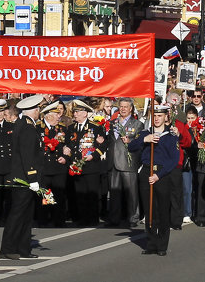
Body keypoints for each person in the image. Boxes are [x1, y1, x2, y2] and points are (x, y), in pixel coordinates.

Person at [128, 105, 179, 255]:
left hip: (161, 174)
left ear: (166, 117)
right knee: (149, 210)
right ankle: (151, 243)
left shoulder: (170, 135)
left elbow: (173, 159)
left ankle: (162, 245)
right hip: (146, 171)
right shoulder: (145, 133)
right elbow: (131, 147)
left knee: (163, 210)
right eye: (154, 116)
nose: (157, 119)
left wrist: (159, 175)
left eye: (160, 116)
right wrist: (145, 139)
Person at [0, 95, 44, 260]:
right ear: (33, 111)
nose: (39, 112)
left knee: (26, 215)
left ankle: (23, 248)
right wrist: (33, 179)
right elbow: (27, 156)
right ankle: (8, 248)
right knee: (18, 214)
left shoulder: (23, 125)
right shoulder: (27, 128)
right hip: (24, 179)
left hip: (23, 178)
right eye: (38, 109)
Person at [65, 99, 108, 226]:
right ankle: (82, 219)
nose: (75, 114)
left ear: (85, 113)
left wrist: (94, 156)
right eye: (74, 112)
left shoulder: (95, 127)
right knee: (80, 195)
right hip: (76, 166)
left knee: (92, 194)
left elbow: (104, 145)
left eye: (77, 112)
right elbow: (68, 144)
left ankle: (92, 219)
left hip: (91, 166)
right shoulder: (71, 128)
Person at [107, 98, 143, 228]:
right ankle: (114, 218)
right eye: (120, 106)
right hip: (113, 162)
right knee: (114, 192)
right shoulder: (112, 123)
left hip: (128, 162)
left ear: (131, 108)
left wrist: (131, 141)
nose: (122, 109)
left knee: (131, 193)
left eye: (125, 107)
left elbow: (140, 143)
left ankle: (133, 217)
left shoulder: (137, 124)